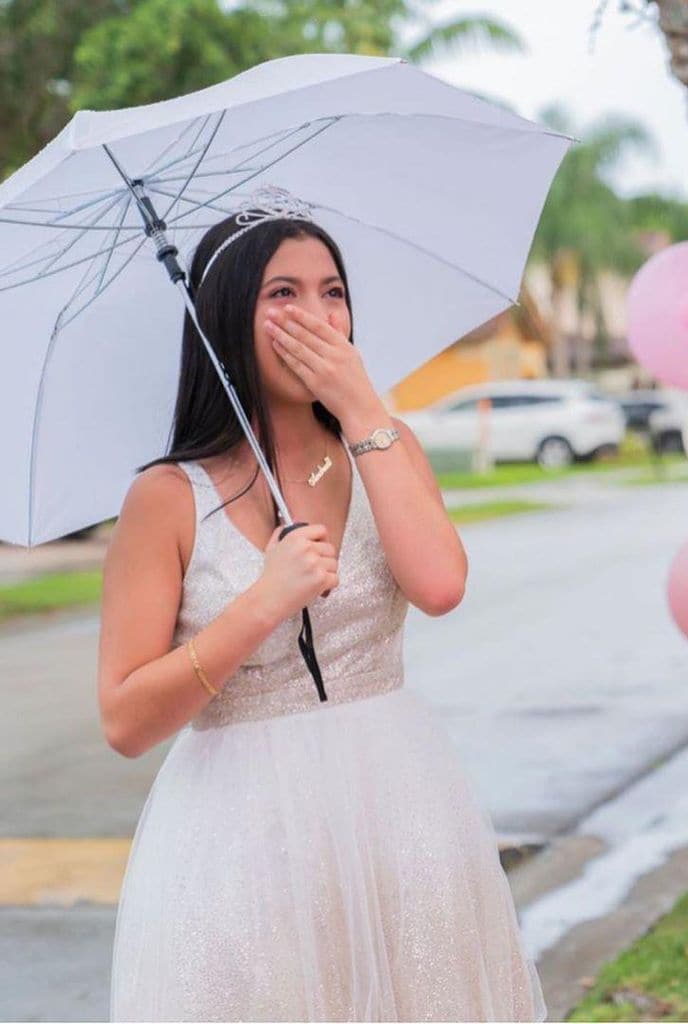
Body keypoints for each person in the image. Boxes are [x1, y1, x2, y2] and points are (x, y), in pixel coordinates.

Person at [98, 192, 546, 1021]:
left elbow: (440, 586)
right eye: (284, 293)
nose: (318, 313)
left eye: (333, 290)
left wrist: (366, 409)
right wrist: (260, 604)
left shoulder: (388, 444)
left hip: (402, 804)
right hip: (241, 834)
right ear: (228, 318)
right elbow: (125, 720)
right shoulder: (166, 497)